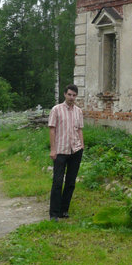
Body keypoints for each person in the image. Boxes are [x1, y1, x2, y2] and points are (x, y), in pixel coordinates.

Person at [48, 84, 84, 221]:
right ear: (64, 94)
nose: (71, 97)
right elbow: (52, 130)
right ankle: (54, 213)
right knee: (57, 182)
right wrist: (53, 149)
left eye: (74, 95)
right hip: (60, 150)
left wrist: (82, 146)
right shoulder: (56, 110)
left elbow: (80, 129)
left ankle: (64, 210)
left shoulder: (78, 111)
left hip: (75, 149)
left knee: (70, 182)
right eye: (69, 94)